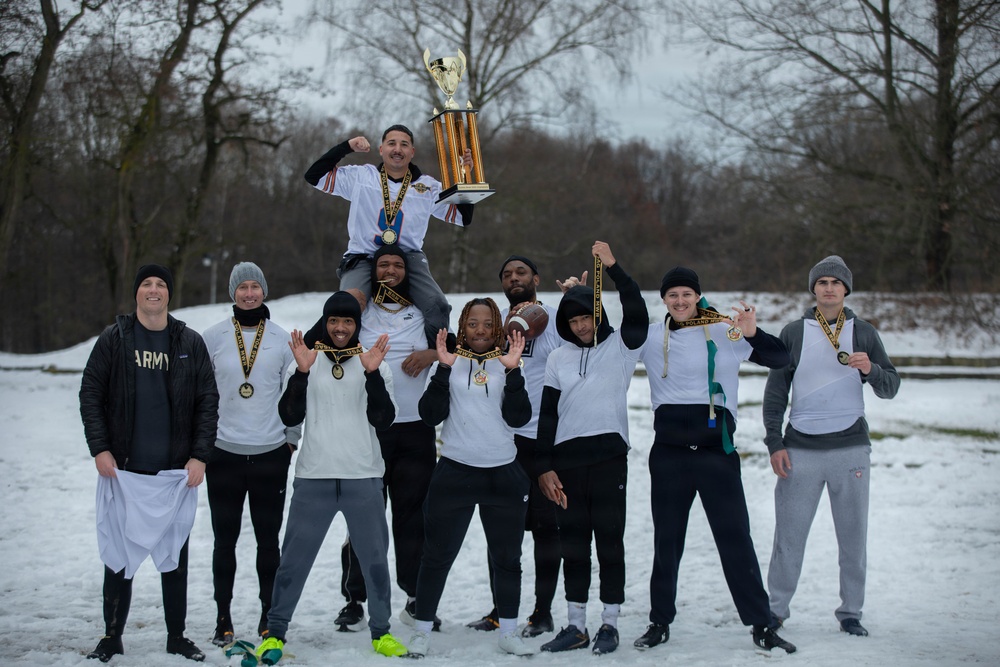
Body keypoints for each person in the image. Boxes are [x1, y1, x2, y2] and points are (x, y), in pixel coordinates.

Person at [633, 267, 796, 654]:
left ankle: (762, 624)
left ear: (697, 296)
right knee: (667, 541)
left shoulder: (726, 330)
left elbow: (781, 358)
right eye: (672, 295)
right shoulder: (653, 337)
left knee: (735, 538)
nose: (680, 301)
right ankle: (659, 621)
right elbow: (604, 338)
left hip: (716, 455)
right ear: (664, 301)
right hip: (669, 456)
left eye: (686, 293)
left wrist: (752, 331)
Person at [251, 292, 407, 663]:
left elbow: (383, 419)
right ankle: (275, 633)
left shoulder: (373, 362)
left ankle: (381, 632)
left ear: (357, 325)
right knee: (293, 561)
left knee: (373, 560)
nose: (340, 328)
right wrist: (302, 373)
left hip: (362, 476)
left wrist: (371, 373)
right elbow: (289, 416)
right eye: (334, 321)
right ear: (326, 322)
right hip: (315, 477)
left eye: (348, 322)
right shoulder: (307, 360)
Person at [79, 264, 219, 663]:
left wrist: (199, 455)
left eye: (160, 285)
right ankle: (111, 637)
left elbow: (207, 401)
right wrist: (100, 448)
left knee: (174, 559)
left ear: (169, 294)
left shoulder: (188, 341)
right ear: (136, 293)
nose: (153, 290)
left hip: (174, 474)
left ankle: (176, 637)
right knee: (118, 559)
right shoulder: (115, 338)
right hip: (123, 471)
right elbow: (90, 393)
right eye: (146, 284)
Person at [764, 255, 900, 638]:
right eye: (821, 282)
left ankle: (851, 611)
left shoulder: (864, 332)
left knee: (853, 536)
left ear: (845, 290)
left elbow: (891, 386)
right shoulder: (793, 332)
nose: (828, 288)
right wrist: (775, 442)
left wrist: (870, 370)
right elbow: (775, 393)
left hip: (850, 449)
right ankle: (775, 611)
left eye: (835, 283)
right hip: (800, 450)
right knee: (788, 537)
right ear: (813, 289)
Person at [535, 241, 648, 655]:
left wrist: (615, 269)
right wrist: (544, 466)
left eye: (587, 317)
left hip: (608, 459)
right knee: (573, 545)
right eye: (574, 320)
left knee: (609, 542)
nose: (581, 326)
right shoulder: (558, 358)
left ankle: (609, 623)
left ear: (597, 316)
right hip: (566, 464)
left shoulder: (620, 347)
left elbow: (637, 310)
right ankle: (576, 625)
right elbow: (547, 416)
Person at [405, 298, 533, 657]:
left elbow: (519, 418)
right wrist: (444, 369)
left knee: (507, 558)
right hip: (455, 473)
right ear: (463, 327)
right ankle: (421, 630)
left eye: (487, 324)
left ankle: (508, 631)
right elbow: (429, 415)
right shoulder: (451, 362)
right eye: (473, 323)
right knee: (436, 556)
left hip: (502, 475)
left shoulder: (507, 362)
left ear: (498, 329)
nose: (480, 330)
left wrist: (512, 371)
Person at [333, 245, 440, 633]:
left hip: (415, 431)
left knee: (412, 518)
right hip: (369, 430)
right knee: (364, 519)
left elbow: (459, 348)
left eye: (398, 264)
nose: (391, 270)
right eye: (383, 265)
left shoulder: (423, 314)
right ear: (373, 272)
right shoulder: (359, 314)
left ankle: (414, 596)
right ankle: (355, 599)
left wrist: (430, 353)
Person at [201, 262, 299, 646]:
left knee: (268, 543)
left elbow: (294, 393)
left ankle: (266, 616)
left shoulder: (280, 338)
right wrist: (203, 442)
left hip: (270, 454)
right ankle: (222, 618)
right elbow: (202, 395)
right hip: (223, 454)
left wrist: (291, 437)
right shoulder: (212, 337)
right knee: (224, 542)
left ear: (264, 291)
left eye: (255, 286)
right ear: (232, 293)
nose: (249, 293)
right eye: (241, 287)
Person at [304, 125, 474, 344]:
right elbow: (313, 175)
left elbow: (463, 217)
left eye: (404, 144)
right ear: (381, 149)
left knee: (438, 304)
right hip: (363, 256)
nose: (397, 149)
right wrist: (346, 147)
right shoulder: (362, 176)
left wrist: (466, 176)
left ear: (412, 152)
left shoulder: (428, 186)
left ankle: (439, 355)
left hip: (408, 258)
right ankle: (320, 352)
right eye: (392, 143)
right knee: (346, 305)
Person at [466, 255, 563, 638]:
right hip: (501, 441)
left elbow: (587, 339)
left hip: (541, 440)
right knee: (500, 531)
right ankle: (499, 609)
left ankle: (542, 611)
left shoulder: (552, 317)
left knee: (544, 530)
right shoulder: (494, 325)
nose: (513, 278)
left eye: (521, 272)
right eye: (506, 274)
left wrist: (584, 296)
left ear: (536, 278)